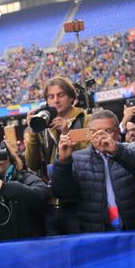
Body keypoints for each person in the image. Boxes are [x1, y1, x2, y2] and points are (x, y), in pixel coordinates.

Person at [53, 110, 135, 232]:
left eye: (108, 131)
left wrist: (117, 151)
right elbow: (63, 193)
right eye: (95, 131)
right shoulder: (76, 159)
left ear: (118, 132)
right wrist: (63, 162)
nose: (101, 136)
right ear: (89, 133)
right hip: (99, 235)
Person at [23, 77, 89, 236]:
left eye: (61, 95)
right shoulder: (42, 122)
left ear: (71, 98)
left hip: (78, 200)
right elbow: (32, 164)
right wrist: (33, 132)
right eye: (51, 97)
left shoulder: (85, 119)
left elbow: (89, 155)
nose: (56, 100)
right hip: (50, 202)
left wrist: (66, 133)